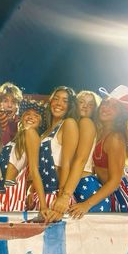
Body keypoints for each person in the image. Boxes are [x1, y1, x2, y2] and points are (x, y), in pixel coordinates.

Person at [69, 85, 128, 219]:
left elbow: (115, 181)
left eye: (113, 106)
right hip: (107, 192)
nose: (106, 108)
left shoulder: (115, 137)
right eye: (105, 103)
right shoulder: (100, 132)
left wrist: (86, 205)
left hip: (123, 194)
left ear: (120, 114)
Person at [48, 90, 111, 222]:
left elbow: (81, 160)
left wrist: (65, 196)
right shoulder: (76, 124)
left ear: (95, 109)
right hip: (76, 186)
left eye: (91, 104)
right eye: (81, 102)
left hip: (85, 187)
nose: (85, 106)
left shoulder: (86, 123)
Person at [26, 86, 79, 220]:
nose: (59, 103)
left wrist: (62, 198)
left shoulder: (69, 123)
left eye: (65, 101)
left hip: (55, 195)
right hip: (41, 196)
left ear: (70, 106)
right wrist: (31, 190)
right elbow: (37, 167)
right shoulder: (45, 132)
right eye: (56, 99)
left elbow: (67, 164)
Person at [0, 98, 46, 212]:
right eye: (27, 114)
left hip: (7, 193)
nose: (30, 117)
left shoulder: (31, 133)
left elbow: (35, 170)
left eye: (36, 115)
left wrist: (43, 206)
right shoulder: (20, 136)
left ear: (41, 122)